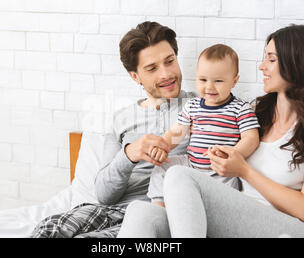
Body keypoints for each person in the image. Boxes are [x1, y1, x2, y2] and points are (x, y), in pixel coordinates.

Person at [118, 24, 304, 238]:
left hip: (294, 229)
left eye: (271, 59)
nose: (261, 66)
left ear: (298, 64)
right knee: (140, 212)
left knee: (180, 175)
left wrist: (244, 171)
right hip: (238, 218)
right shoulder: (258, 112)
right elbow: (205, 124)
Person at [30, 21, 196, 238]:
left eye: (170, 61)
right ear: (135, 76)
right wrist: (129, 154)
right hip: (106, 210)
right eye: (152, 68)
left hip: (153, 213)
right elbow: (104, 195)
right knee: (49, 228)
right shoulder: (121, 120)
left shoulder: (200, 108)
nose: (166, 74)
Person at [147, 44, 260, 207]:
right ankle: (159, 206)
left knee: (227, 197)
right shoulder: (192, 105)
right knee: (163, 166)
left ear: (234, 81)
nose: (209, 87)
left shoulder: (240, 108)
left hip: (221, 171)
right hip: (191, 164)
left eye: (218, 81)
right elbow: (177, 132)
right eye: (203, 79)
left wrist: (232, 154)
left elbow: (251, 138)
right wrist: (162, 146)